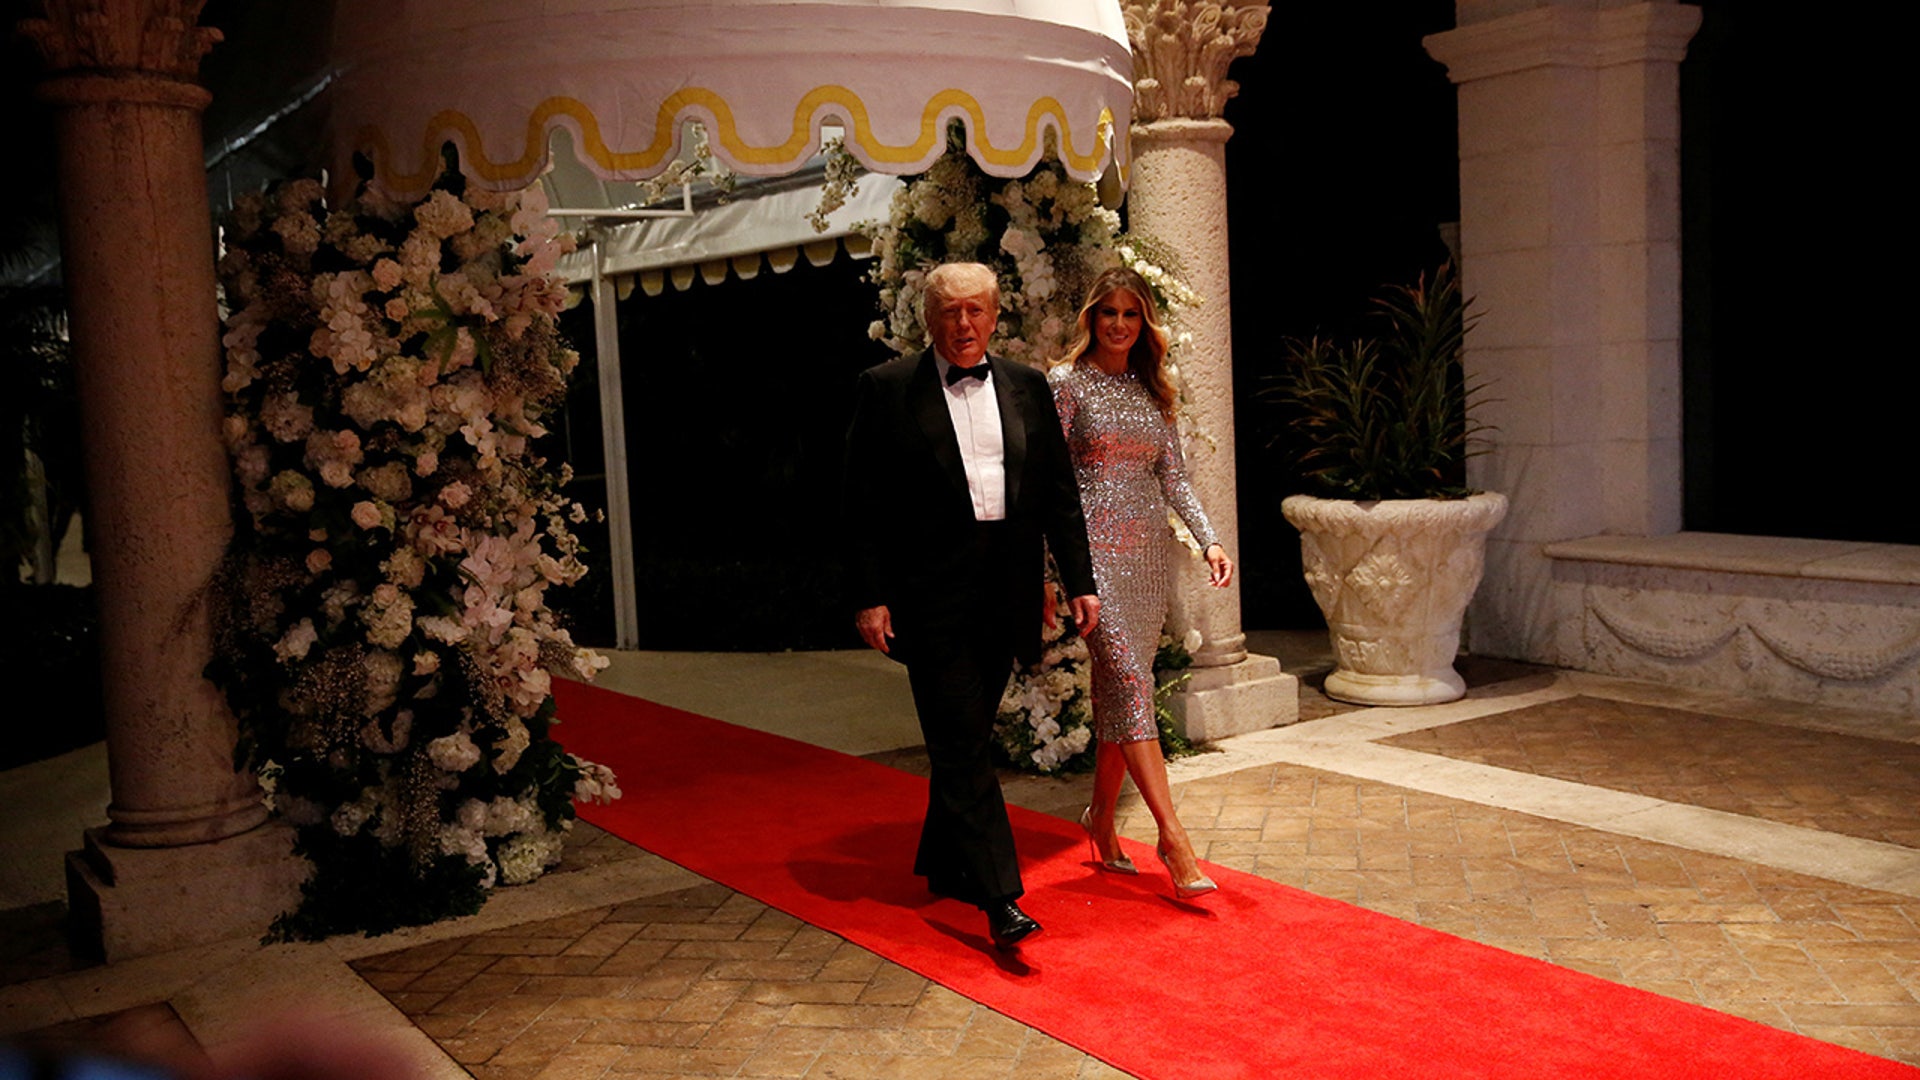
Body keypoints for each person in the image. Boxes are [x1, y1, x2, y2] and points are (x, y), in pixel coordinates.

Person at [844, 262, 1100, 949]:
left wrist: (1079, 579)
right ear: (930, 319)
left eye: (976, 312)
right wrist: (870, 597)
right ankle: (1000, 897)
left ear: (994, 317)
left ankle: (943, 861)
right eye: (951, 312)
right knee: (961, 739)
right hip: (929, 598)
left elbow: (1056, 494)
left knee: (965, 739)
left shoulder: (1025, 385)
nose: (964, 325)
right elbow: (861, 506)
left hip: (1008, 592)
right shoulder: (887, 389)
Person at [1050, 266, 1233, 900]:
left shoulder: (1155, 391)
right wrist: (1054, 568)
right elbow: (1050, 484)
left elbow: (1174, 476)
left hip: (1150, 559)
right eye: (1109, 314)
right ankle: (1173, 838)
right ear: (1092, 319)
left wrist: (1207, 537)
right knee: (1129, 680)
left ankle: (1101, 820)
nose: (1120, 325)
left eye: (1132, 315)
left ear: (1144, 322)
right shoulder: (1066, 385)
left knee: (1119, 694)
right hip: (1093, 561)